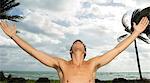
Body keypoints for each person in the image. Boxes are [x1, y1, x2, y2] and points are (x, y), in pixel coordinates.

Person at [0, 17, 149, 83]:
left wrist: (135, 33)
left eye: (81, 43)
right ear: (71, 50)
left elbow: (116, 50)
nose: (78, 42)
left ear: (84, 51)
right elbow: (35, 52)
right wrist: (14, 36)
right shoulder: (61, 64)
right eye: (75, 42)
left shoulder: (93, 64)